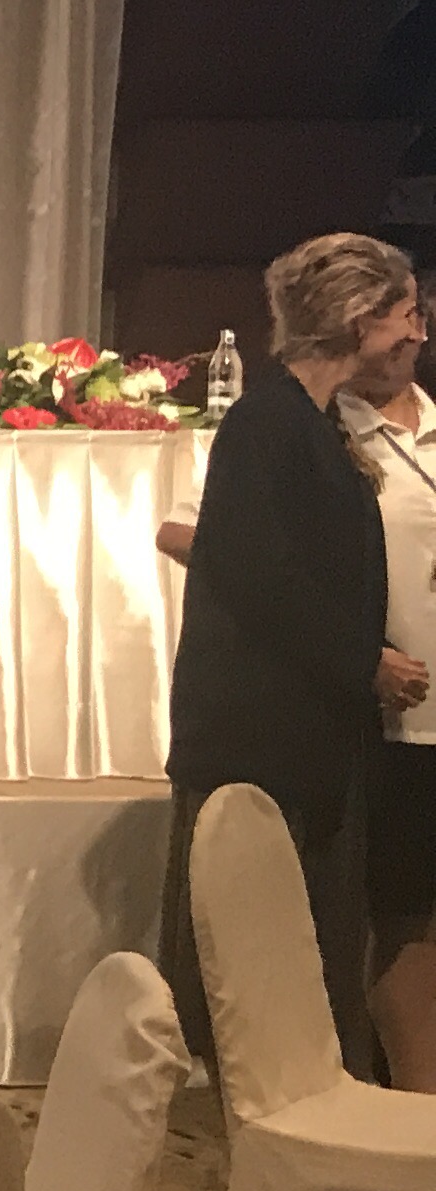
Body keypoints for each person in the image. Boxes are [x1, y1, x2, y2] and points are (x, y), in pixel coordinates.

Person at [161, 230, 427, 1074]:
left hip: (304, 738)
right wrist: (367, 661)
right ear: (358, 319)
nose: (415, 332)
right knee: (257, 961)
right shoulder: (268, 422)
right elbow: (257, 574)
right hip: (259, 744)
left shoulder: (307, 423)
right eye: (403, 313)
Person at [342, 344, 436, 1088]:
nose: (407, 337)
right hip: (399, 720)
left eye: (414, 318)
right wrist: (353, 646)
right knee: (406, 918)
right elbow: (194, 534)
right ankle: (414, 1110)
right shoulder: (323, 431)